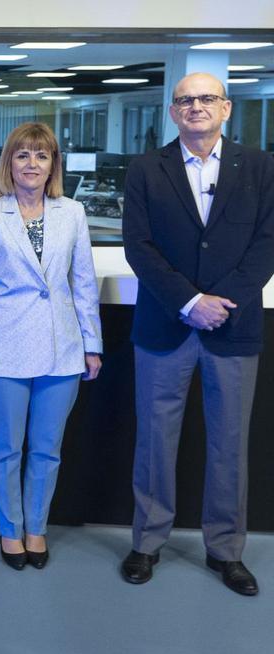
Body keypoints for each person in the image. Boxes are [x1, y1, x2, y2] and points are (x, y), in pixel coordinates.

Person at [120, 72, 274, 596]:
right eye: (185, 100)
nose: (195, 107)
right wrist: (188, 301)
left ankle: (226, 551)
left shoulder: (259, 167)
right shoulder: (146, 169)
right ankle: (146, 542)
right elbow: (138, 246)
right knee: (154, 440)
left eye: (206, 99)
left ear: (226, 108)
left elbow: (267, 243)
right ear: (173, 112)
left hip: (233, 326)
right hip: (165, 324)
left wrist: (219, 303)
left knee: (231, 443)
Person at [0, 122, 103, 570]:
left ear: (53, 165)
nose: (32, 164)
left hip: (63, 349)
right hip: (5, 349)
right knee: (5, 448)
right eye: (23, 155)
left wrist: (92, 344)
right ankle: (9, 530)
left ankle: (36, 528)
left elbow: (83, 284)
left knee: (46, 448)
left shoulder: (72, 213)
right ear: (9, 163)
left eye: (42, 156)